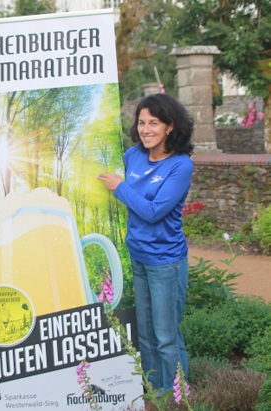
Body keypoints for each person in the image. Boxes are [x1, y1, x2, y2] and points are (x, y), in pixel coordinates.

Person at [98, 93, 194, 394]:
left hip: (165, 261)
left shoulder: (180, 166)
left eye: (154, 123)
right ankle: (154, 390)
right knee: (147, 332)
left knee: (166, 335)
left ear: (170, 126)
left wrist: (121, 187)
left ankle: (177, 393)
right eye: (141, 122)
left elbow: (154, 212)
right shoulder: (133, 156)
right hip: (137, 257)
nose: (146, 129)